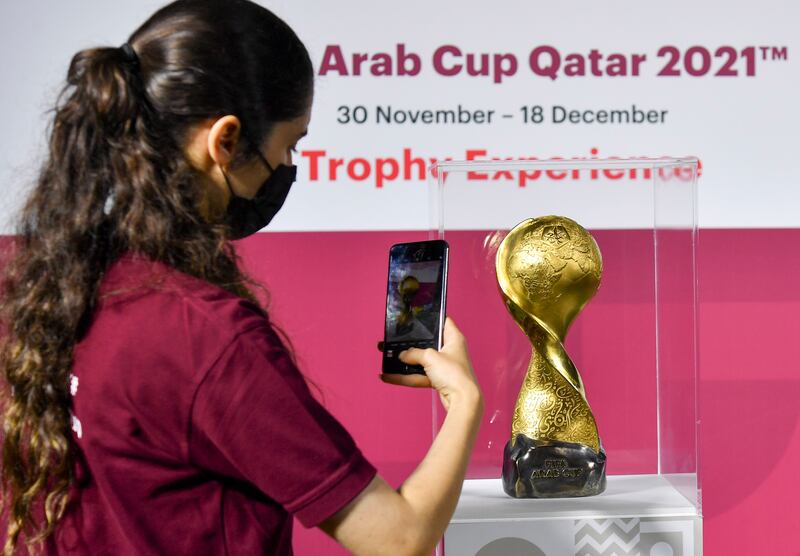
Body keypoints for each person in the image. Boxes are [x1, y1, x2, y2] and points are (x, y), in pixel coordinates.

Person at [0, 1, 483, 554]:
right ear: (226, 140)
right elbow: (399, 538)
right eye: (290, 145)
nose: (288, 165)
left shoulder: (68, 281)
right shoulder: (208, 337)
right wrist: (465, 400)